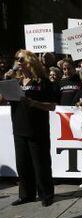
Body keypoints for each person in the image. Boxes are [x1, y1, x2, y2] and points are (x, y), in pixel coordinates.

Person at [1, 50, 57, 206]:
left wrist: (34, 103)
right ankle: (26, 194)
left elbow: (52, 106)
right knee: (23, 164)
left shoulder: (42, 82)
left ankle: (46, 194)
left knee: (41, 164)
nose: (17, 62)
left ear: (29, 61)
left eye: (20, 59)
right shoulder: (15, 82)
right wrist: (5, 82)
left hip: (37, 129)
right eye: (16, 59)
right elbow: (1, 100)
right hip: (19, 128)